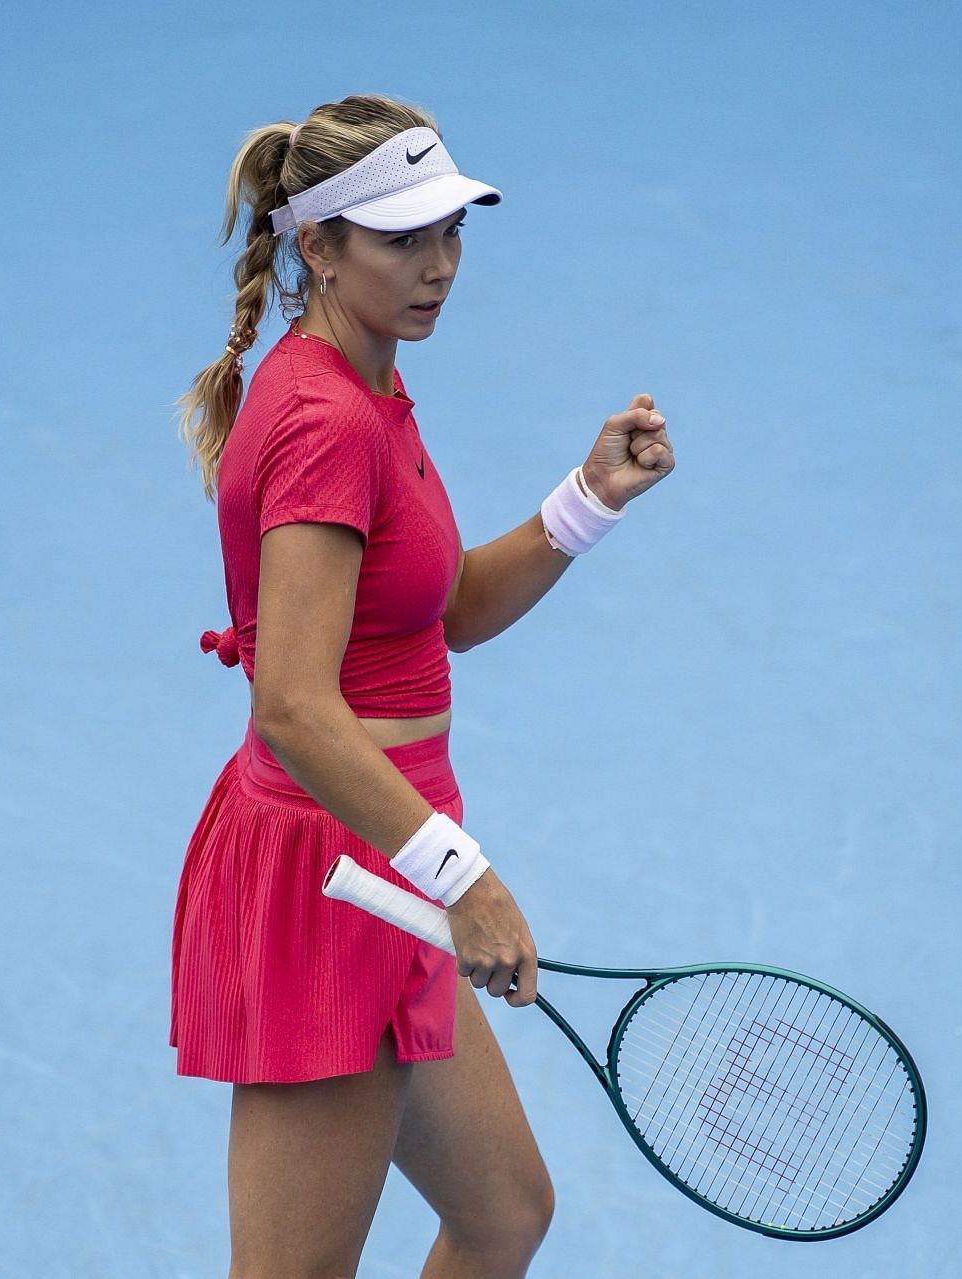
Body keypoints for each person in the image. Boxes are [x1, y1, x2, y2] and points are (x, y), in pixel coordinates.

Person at [169, 93, 675, 1279]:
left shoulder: (369, 387)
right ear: (320, 247)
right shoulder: (324, 420)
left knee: (502, 1216)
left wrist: (586, 501)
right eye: (403, 240)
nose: (441, 264)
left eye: (452, 231)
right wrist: (463, 875)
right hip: (339, 878)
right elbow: (293, 707)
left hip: (390, 855)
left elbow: (437, 613)